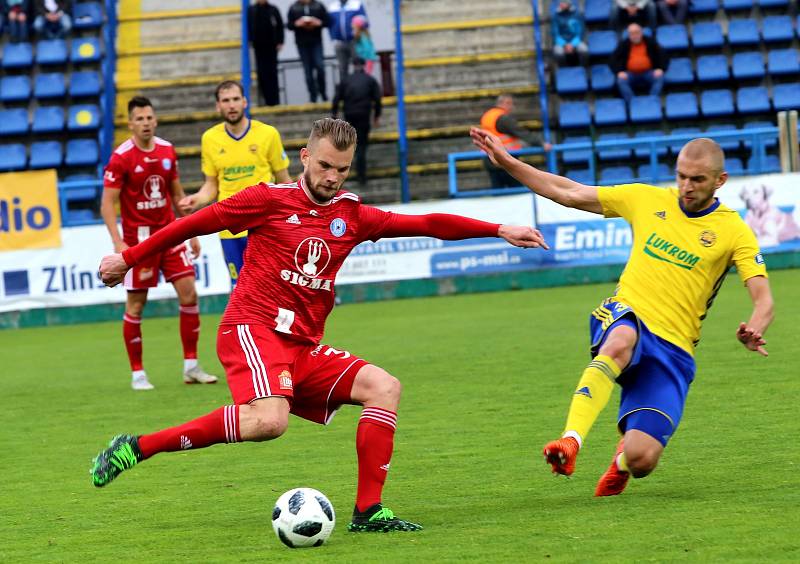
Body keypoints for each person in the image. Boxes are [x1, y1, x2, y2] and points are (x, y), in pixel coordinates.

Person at [91, 118, 549, 532]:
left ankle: (369, 512)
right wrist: (126, 259)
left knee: (384, 387)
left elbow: (426, 222)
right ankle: (139, 446)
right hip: (253, 328)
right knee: (270, 421)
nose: (332, 178)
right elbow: (192, 224)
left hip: (302, 345)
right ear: (305, 157)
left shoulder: (350, 215)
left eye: (343, 170)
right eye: (326, 165)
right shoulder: (266, 200)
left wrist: (497, 230)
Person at [471, 128, 774, 497]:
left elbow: (764, 299)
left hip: (674, 350)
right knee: (621, 339)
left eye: (697, 180)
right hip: (627, 314)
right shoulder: (645, 199)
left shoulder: (734, 232)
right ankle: (570, 441)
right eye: (681, 176)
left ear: (720, 181)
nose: (686, 186)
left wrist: (754, 328)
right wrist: (507, 162)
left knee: (643, 458)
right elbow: (568, 192)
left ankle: (621, 463)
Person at [100, 97, 218, 391]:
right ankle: (138, 373)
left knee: (189, 293)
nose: (146, 123)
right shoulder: (121, 157)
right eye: (139, 119)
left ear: (155, 120)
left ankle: (191, 365)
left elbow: (177, 196)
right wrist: (117, 241)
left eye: (149, 118)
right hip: (139, 240)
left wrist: (190, 234)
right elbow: (107, 203)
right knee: (136, 305)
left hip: (171, 234)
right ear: (130, 124)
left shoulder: (167, 150)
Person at [179, 80, 291, 288]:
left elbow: (284, 180)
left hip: (264, 225)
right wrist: (197, 199)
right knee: (239, 289)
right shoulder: (210, 139)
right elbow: (211, 185)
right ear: (218, 106)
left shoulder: (268, 134)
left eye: (235, 99)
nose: (231, 105)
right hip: (229, 228)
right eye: (225, 100)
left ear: (245, 102)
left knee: (271, 287)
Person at [479, 94, 551, 188]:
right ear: (504, 103)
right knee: (516, 189)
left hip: (490, 159)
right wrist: (541, 143)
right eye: (510, 104)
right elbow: (522, 133)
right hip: (505, 159)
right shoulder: (504, 119)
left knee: (498, 191)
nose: (512, 107)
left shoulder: (488, 116)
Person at [332, 56, 381, 185]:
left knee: (351, 143)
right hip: (364, 115)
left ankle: (346, 171)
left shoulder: (346, 80)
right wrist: (376, 116)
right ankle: (362, 176)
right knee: (362, 145)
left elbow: (336, 99)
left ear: (353, 66)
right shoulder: (370, 80)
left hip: (350, 115)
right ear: (364, 66)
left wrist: (334, 116)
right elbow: (377, 100)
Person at [610, 23, 668, 103]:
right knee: (621, 80)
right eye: (632, 33)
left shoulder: (650, 42)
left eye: (636, 32)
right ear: (629, 35)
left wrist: (661, 69)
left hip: (648, 72)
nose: (635, 35)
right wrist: (619, 72)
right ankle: (632, 103)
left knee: (659, 77)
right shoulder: (624, 44)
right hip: (630, 74)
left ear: (641, 32)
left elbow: (663, 55)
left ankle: (652, 100)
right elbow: (613, 59)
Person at [287, 0, 329, 103]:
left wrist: (318, 23)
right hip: (302, 43)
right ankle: (313, 96)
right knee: (308, 71)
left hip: (316, 42)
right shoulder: (293, 7)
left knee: (320, 67)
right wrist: (297, 24)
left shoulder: (318, 5)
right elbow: (289, 25)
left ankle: (323, 92)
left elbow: (327, 21)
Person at [248, 0, 284, 106]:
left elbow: (280, 26)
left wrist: (280, 41)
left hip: (272, 47)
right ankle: (266, 100)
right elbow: (249, 27)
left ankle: (275, 101)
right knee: (261, 74)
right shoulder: (251, 10)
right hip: (258, 47)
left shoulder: (273, 9)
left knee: (272, 73)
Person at [327, 0, 367, 84]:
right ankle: (346, 91)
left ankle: (361, 88)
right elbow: (329, 24)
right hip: (339, 42)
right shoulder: (332, 6)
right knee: (342, 68)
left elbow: (365, 22)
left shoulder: (356, 4)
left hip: (354, 41)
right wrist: (333, 38)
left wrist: (358, 26)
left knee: (358, 65)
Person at [552, 0, 588, 67]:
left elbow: (580, 32)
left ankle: (583, 67)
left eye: (563, 2)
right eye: (560, 2)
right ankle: (563, 68)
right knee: (558, 52)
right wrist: (564, 44)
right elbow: (555, 33)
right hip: (562, 42)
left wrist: (572, 44)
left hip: (574, 40)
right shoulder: (556, 16)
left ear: (568, 4)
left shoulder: (576, 14)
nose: (561, 4)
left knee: (583, 49)